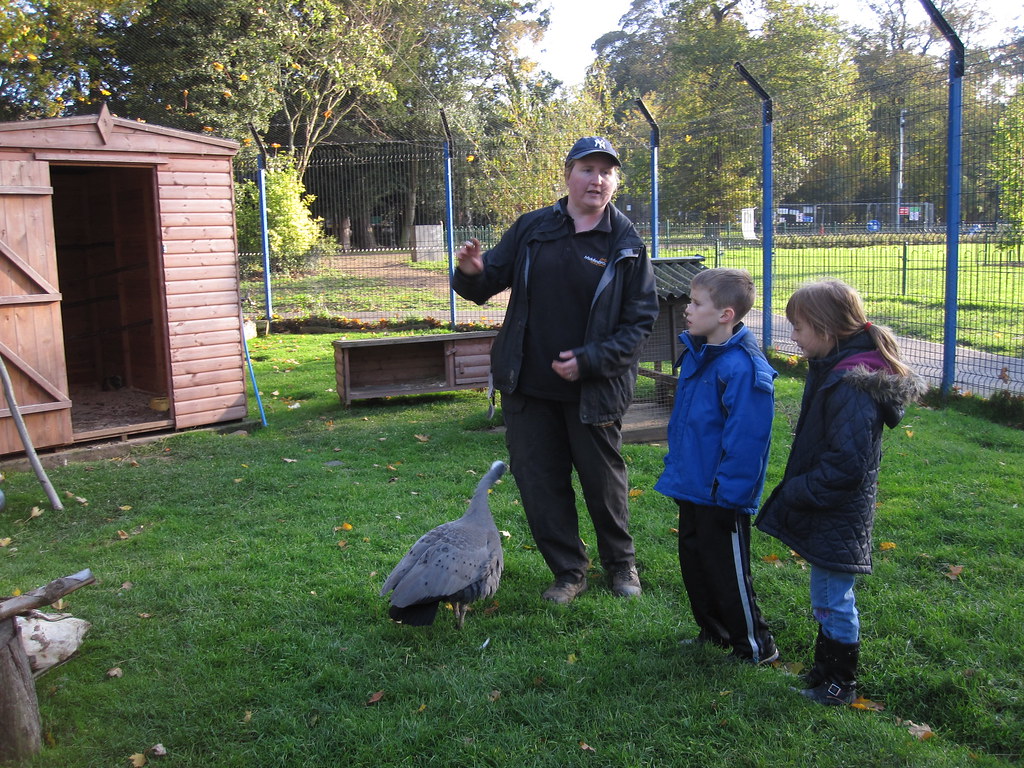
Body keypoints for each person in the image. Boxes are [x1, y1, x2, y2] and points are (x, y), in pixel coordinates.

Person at [451, 136, 658, 604]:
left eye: (607, 171)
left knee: (604, 484)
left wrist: (590, 360)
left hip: (595, 389)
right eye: (588, 169)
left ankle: (621, 565)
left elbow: (638, 322)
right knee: (540, 483)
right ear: (568, 174)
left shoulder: (626, 243)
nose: (597, 179)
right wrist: (470, 271)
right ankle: (568, 570)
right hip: (527, 384)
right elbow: (485, 282)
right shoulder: (532, 228)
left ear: (615, 182)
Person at [756, 279, 926, 704]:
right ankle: (823, 671)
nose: (792, 335)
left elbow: (846, 464)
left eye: (797, 327)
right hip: (831, 506)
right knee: (827, 596)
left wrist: (798, 490)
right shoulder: (835, 366)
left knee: (834, 598)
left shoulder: (851, 383)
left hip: (837, 508)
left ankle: (840, 684)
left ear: (825, 328)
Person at [654, 268, 779, 664]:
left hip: (722, 494)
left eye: (695, 303)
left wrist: (732, 493)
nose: (687, 310)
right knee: (696, 563)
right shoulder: (698, 352)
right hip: (692, 485)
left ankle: (755, 646)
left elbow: (748, 440)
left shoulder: (743, 367)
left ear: (725, 314)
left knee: (728, 572)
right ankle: (715, 632)